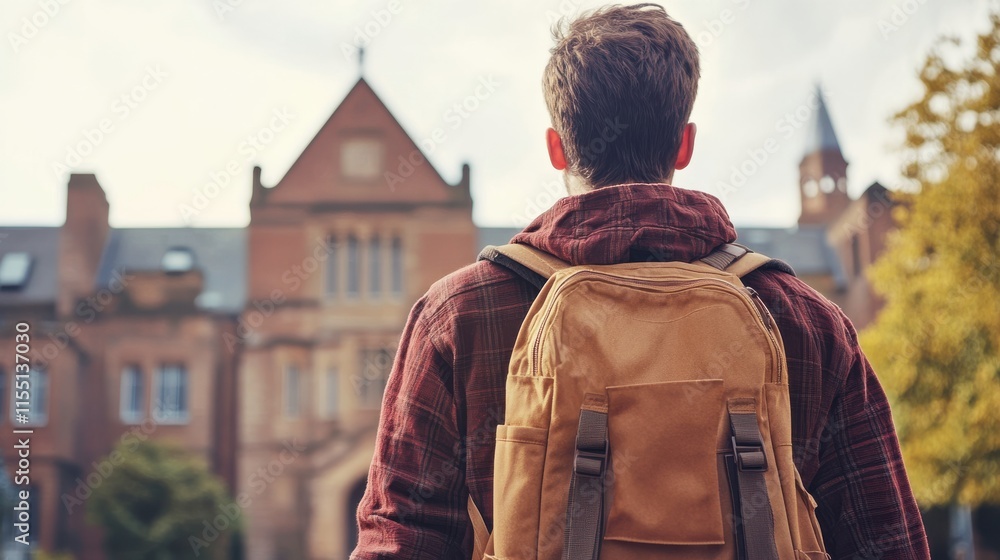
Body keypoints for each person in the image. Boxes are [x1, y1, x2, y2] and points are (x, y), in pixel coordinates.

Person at [352, 4, 930, 559]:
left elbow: (402, 540)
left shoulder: (458, 315)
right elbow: (888, 541)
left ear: (557, 147)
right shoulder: (804, 319)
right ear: (685, 142)